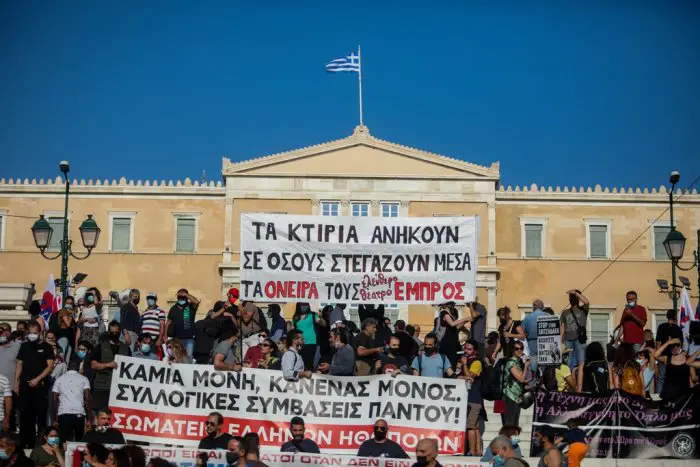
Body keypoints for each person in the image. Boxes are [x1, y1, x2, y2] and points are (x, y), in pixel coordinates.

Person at [14, 321, 55, 449]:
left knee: (40, 415)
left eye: (35, 333)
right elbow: (19, 365)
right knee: (25, 415)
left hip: (39, 386)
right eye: (30, 333)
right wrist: (16, 383)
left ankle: (40, 444)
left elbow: (50, 367)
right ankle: (25, 443)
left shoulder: (47, 347)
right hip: (25, 387)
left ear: (40, 333)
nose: (32, 335)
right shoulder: (24, 346)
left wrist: (37, 379)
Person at [90, 321, 130, 420]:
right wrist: (108, 365)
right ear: (108, 332)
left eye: (116, 332)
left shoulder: (126, 349)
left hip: (120, 389)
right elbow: (93, 365)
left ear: (120, 332)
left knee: (116, 416)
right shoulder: (100, 346)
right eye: (112, 332)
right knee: (99, 414)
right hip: (102, 387)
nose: (114, 334)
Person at [52, 359, 90, 442]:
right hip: (79, 414)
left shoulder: (59, 379)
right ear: (78, 367)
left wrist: (54, 419)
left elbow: (54, 400)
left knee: (64, 442)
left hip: (64, 413)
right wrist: (88, 419)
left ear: (67, 367)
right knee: (79, 442)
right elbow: (87, 399)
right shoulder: (84, 379)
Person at [457, 340, 483, 455]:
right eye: (465, 348)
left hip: (474, 398)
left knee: (470, 426)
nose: (466, 351)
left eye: (469, 349)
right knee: (475, 427)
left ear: (475, 351)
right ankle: (477, 451)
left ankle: (472, 451)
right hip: (465, 397)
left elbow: (470, 378)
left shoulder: (477, 362)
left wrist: (464, 365)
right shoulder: (463, 361)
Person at [560, 289, 589, 385]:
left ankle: (580, 385)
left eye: (573, 297)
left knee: (581, 363)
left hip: (580, 340)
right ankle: (571, 384)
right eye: (571, 297)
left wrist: (576, 293)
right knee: (569, 364)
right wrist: (560, 341)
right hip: (568, 340)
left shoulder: (583, 309)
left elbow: (586, 301)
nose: (571, 299)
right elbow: (562, 327)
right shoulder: (565, 312)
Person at [655, 309, 683, 395]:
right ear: (675, 317)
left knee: (661, 378)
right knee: (674, 378)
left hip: (663, 355)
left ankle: (658, 397)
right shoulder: (678, 328)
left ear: (666, 316)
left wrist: (658, 354)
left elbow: (658, 343)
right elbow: (680, 343)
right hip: (674, 356)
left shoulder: (661, 326)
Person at [166, 289, 200, 358]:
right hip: (176, 339)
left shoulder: (191, 306)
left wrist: (186, 294)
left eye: (183, 296)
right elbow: (168, 322)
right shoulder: (173, 308)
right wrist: (165, 335)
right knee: (176, 358)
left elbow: (196, 302)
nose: (181, 298)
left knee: (188, 358)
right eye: (179, 296)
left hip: (189, 338)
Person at [502, 342, 529, 427]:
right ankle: (507, 440)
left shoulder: (518, 362)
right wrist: (526, 366)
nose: (519, 350)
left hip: (517, 396)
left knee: (514, 424)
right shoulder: (511, 362)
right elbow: (521, 379)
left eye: (521, 348)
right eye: (517, 349)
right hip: (510, 396)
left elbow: (520, 380)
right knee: (509, 424)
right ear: (512, 350)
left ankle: (512, 439)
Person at [292, 303, 325, 371]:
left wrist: (320, 317)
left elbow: (323, 324)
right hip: (300, 344)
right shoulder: (295, 317)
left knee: (310, 365)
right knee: (300, 364)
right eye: (302, 304)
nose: (304, 306)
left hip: (312, 343)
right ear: (298, 306)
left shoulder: (312, 315)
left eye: (306, 304)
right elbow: (293, 330)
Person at [435, 302, 470, 366]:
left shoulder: (449, 314)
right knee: (448, 363)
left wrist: (465, 321)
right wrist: (465, 319)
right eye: (450, 303)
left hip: (452, 344)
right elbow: (452, 324)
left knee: (452, 363)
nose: (452, 305)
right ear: (445, 305)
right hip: (447, 343)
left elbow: (456, 327)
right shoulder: (444, 313)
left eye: (453, 303)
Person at [0, 323, 20, 433]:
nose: (3, 333)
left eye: (5, 330)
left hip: (11, 388)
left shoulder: (17, 346)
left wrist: (17, 384)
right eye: (0, 330)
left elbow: (20, 365)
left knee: (10, 414)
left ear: (10, 332)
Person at [522, 299, 547, 372]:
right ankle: (544, 380)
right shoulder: (548, 316)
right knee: (544, 361)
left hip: (532, 342)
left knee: (533, 362)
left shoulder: (527, 317)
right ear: (542, 307)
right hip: (546, 341)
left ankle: (532, 382)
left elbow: (522, 331)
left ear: (533, 307)